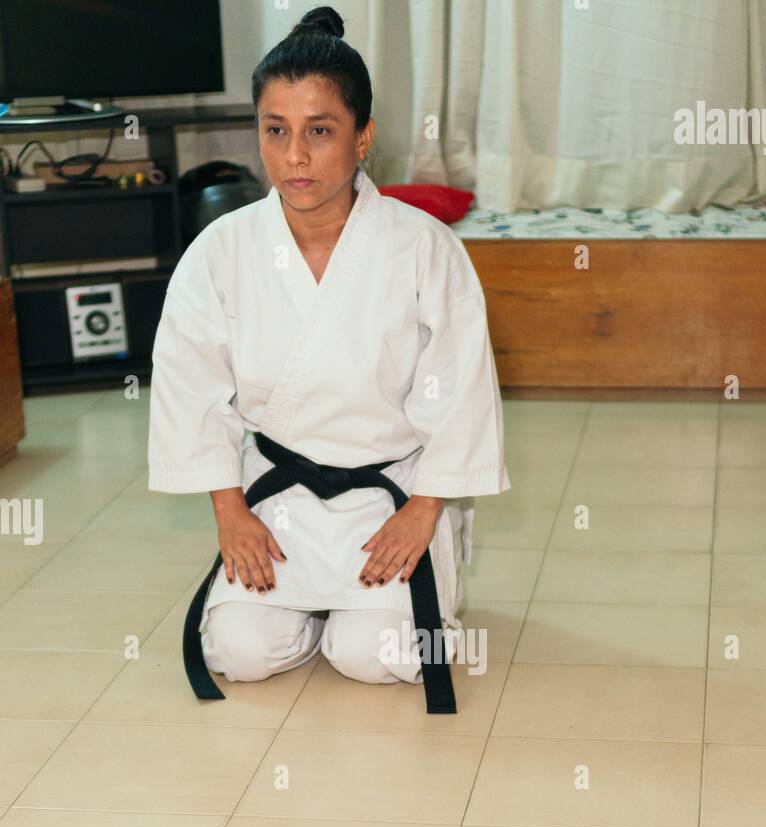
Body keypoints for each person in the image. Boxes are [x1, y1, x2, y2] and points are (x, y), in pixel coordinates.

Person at [147, 5, 509, 714]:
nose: (295, 157)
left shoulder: (424, 247)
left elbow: (461, 391)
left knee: (373, 657)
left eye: (320, 131)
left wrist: (425, 510)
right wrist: (229, 509)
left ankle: (415, 573)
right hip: (277, 496)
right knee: (241, 653)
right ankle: (307, 604)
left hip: (391, 496)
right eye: (274, 131)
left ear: (364, 137)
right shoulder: (221, 252)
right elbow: (192, 391)